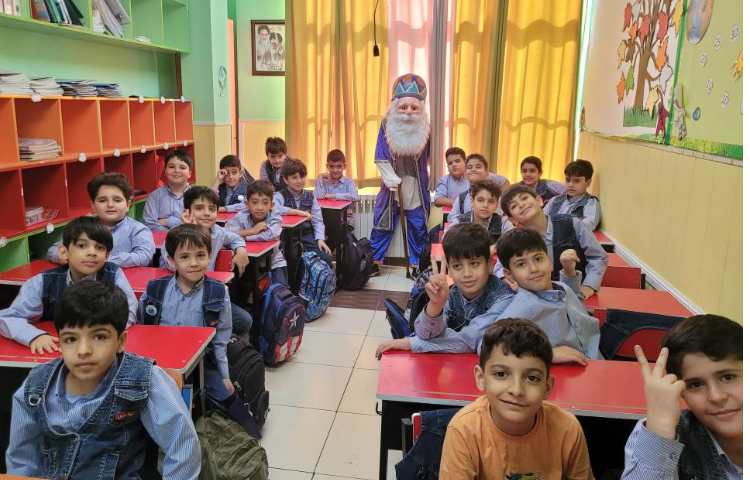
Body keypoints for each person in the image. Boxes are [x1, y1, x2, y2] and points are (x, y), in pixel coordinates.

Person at [5, 280, 201, 479]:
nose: (83, 351)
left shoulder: (144, 379)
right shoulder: (36, 387)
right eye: (71, 339)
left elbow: (182, 446)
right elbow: (22, 460)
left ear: (121, 341)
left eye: (99, 337)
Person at [138, 224, 262, 437]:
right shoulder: (155, 289)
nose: (194, 263)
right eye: (184, 257)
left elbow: (221, 339)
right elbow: (142, 331)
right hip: (160, 366)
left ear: (209, 256)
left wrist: (225, 375)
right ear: (171, 260)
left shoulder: (218, 292)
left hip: (202, 363)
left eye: (200, 255)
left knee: (232, 406)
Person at [439, 319, 594, 479]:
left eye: (532, 378)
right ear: (481, 378)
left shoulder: (568, 429)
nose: (517, 390)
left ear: (548, 386)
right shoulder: (463, 430)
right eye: (501, 374)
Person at [623, 315, 742, 479]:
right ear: (681, 393)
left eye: (728, 377)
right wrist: (660, 431)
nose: (716, 396)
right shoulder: (659, 431)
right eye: (695, 384)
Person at [0, 217, 137, 353]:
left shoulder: (113, 275)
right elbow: (9, 317)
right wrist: (34, 336)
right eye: (82, 246)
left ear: (107, 256)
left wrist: (100, 334)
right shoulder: (43, 282)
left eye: (99, 248)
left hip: (101, 348)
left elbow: (129, 311)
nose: (92, 253)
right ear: (64, 252)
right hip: (59, 349)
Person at [375, 224, 514, 356]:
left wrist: (410, 343)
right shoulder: (453, 292)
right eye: (457, 266)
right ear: (450, 270)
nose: (467, 274)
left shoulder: (504, 299)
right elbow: (425, 334)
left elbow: (469, 340)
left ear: (490, 265)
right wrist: (436, 305)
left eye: (474, 264)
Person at [496, 228, 601, 365]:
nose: (534, 269)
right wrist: (547, 353)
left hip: (596, 350)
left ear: (550, 262)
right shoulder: (523, 307)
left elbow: (575, 306)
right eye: (521, 264)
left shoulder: (561, 287)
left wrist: (569, 272)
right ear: (509, 275)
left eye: (538, 259)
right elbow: (489, 345)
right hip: (576, 369)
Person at [159, 186, 252, 336]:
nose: (207, 213)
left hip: (206, 293)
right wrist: (188, 229)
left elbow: (235, 238)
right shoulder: (176, 234)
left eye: (212, 209)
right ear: (187, 212)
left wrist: (241, 249)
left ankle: (216, 344)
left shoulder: (217, 232)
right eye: (199, 208)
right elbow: (171, 265)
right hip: (178, 296)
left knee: (244, 320)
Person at [500, 184, 608, 299]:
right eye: (514, 206)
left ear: (539, 201)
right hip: (536, 298)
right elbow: (501, 268)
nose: (521, 205)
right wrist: (507, 280)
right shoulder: (514, 240)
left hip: (575, 294)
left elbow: (598, 256)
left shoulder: (572, 223)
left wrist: (589, 286)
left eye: (524, 198)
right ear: (512, 219)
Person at [369, 73, 431, 271]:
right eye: (403, 107)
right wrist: (389, 177)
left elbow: (432, 156)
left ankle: (416, 264)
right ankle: (374, 262)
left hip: (415, 186)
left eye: (414, 107)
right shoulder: (386, 124)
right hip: (391, 186)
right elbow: (380, 154)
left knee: (418, 226)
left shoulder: (426, 126)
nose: (408, 112)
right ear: (395, 107)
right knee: (382, 223)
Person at [46, 172, 155, 267]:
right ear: (93, 205)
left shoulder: (138, 230)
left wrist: (101, 259)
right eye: (102, 200)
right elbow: (53, 250)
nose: (110, 205)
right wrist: (60, 255)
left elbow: (144, 256)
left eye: (117, 200)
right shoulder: (81, 227)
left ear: (128, 204)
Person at [227, 180, 288, 285]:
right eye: (255, 202)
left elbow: (269, 235)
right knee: (237, 286)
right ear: (247, 204)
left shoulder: (275, 217)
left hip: (273, 263)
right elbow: (226, 232)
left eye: (265, 203)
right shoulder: (241, 216)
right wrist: (253, 230)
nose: (260, 207)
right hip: (249, 263)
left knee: (280, 290)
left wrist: (244, 236)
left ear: (272, 205)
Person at [273, 158, 332, 256]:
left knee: (325, 258)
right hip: (286, 238)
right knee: (292, 260)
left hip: (307, 236)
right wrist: (298, 212)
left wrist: (320, 239)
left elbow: (317, 220)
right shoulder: (279, 196)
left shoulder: (310, 196)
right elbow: (274, 209)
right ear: (286, 180)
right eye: (294, 177)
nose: (299, 181)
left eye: (302, 176)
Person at [447, 153, 509, 223]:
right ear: (465, 174)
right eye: (469, 167)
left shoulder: (495, 197)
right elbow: (451, 218)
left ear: (487, 172)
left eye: (478, 167)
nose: (473, 169)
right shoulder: (462, 198)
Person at [544, 159, 601, 232]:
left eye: (576, 181)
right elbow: (541, 219)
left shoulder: (590, 202)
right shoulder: (555, 200)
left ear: (588, 182)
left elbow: (587, 225)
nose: (570, 185)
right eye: (567, 180)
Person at [143, 150, 192, 231]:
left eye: (182, 167)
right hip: (162, 238)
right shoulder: (154, 196)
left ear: (189, 173)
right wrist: (181, 225)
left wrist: (168, 221)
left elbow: (196, 224)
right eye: (171, 167)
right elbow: (149, 224)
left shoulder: (196, 196)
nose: (176, 171)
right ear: (165, 171)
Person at [446, 180, 503, 244]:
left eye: (491, 201)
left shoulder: (502, 222)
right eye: (480, 200)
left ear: (497, 205)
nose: (485, 205)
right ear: (472, 201)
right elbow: (447, 241)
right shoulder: (459, 221)